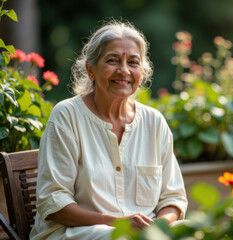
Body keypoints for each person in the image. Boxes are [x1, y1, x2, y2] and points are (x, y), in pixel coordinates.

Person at [29, 20, 188, 240]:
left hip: (142, 235)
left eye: (133, 62)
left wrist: (155, 229)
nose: (124, 70)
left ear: (141, 72)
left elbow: (173, 199)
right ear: (91, 69)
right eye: (113, 60)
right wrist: (121, 224)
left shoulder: (154, 122)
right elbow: (54, 202)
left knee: (197, 233)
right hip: (76, 232)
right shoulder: (67, 116)